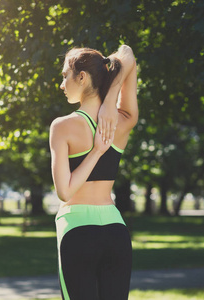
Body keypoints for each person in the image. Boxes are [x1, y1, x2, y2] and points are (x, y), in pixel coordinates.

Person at [49, 45, 138, 300]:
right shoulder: (122, 120)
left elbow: (65, 192)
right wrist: (110, 101)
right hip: (116, 231)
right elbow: (127, 54)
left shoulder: (62, 126)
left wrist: (97, 151)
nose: (61, 83)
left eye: (65, 75)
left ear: (82, 77)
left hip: (77, 231)